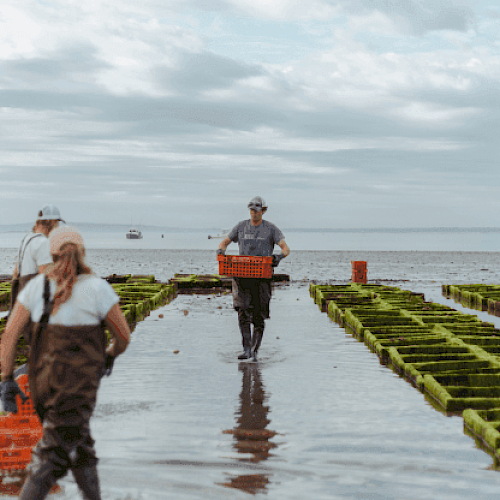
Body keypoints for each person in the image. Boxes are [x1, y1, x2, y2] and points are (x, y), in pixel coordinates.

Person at [0, 226, 131, 500]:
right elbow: (123, 337)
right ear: (83, 253)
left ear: (51, 254)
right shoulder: (97, 288)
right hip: (79, 388)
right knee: (50, 458)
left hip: (44, 386)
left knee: (83, 450)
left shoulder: (37, 287)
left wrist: (7, 379)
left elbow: (9, 337)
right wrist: (109, 355)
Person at [217, 197, 290, 362]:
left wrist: (279, 257)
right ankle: (246, 349)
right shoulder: (241, 226)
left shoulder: (271, 229)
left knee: (258, 315)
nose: (253, 213)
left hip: (262, 277)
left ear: (263, 211)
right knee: (242, 312)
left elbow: (286, 248)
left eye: (256, 211)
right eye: (251, 210)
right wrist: (221, 250)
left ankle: (255, 351)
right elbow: (224, 242)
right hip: (242, 275)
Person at [10, 204, 65, 315]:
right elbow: (46, 277)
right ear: (53, 222)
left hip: (23, 299)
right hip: (35, 303)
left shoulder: (27, 239)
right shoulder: (42, 242)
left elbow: (16, 273)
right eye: (57, 223)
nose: (58, 227)